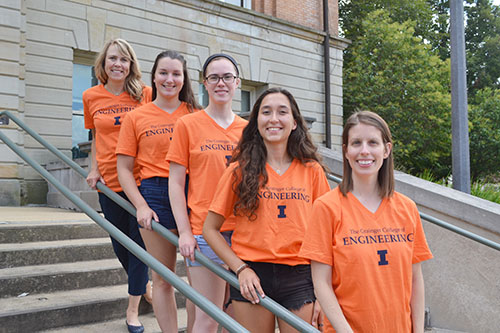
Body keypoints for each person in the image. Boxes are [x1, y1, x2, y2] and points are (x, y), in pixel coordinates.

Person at [203, 87, 330, 333]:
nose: (273, 118)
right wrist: (240, 268)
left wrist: (324, 293)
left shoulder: (312, 171)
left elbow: (326, 236)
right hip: (252, 275)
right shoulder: (238, 171)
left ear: (294, 122)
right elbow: (210, 229)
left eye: (282, 112)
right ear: (256, 122)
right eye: (266, 112)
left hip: (300, 277)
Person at [300, 111, 433, 333]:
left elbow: (415, 280)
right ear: (346, 151)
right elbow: (321, 283)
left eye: (372, 142)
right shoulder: (327, 207)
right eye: (356, 143)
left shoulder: (407, 208)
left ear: (386, 149)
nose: (364, 151)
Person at [116, 50, 201, 332]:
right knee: (163, 278)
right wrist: (140, 204)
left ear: (184, 78)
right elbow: (124, 169)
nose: (169, 79)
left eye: (176, 73)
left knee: (197, 279)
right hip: (154, 193)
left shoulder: (195, 114)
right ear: (153, 76)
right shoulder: (137, 117)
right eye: (163, 73)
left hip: (193, 194)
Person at [167, 53, 247, 332]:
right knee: (208, 317)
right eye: (214, 77)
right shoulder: (188, 125)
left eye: (227, 77)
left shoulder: (249, 132)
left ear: (237, 82)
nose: (220, 83)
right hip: (203, 232)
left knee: (237, 319)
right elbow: (175, 183)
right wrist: (185, 231)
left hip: (245, 235)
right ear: (205, 83)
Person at [83, 38, 152, 333]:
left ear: (131, 65)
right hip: (109, 183)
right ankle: (144, 284)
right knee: (119, 244)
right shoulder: (90, 97)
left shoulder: (144, 94)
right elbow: (96, 137)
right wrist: (94, 168)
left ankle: (132, 309)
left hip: (140, 181)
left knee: (137, 246)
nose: (118, 64)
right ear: (103, 63)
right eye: (113, 58)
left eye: (124, 59)